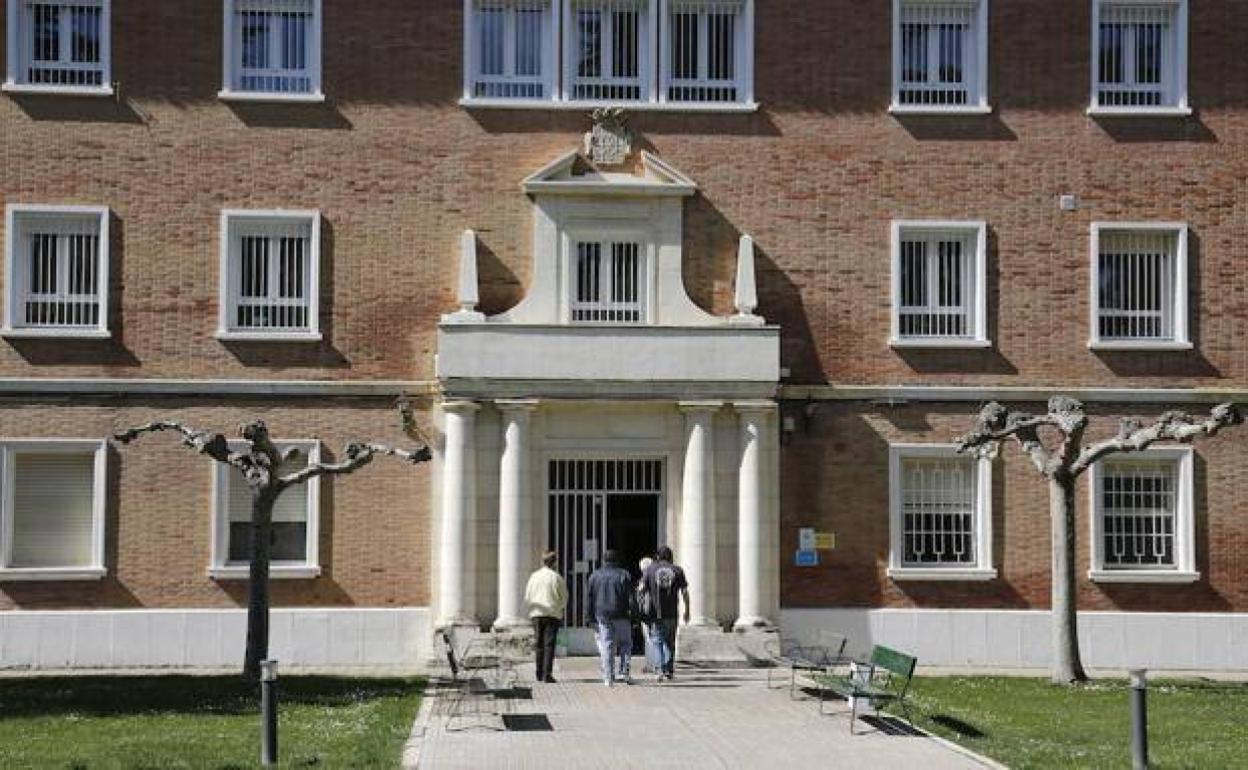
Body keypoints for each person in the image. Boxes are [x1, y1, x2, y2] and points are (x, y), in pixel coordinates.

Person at [585, 549, 634, 686]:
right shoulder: (624, 575)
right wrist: (635, 616)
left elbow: (589, 598)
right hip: (621, 614)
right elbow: (631, 598)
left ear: (603, 560)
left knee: (607, 645)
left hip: (602, 614)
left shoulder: (594, 576)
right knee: (625, 644)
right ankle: (624, 672)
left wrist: (589, 617)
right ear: (617, 560)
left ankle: (608, 677)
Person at [642, 545, 689, 681]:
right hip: (672, 613)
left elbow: (641, 589)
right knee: (669, 642)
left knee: (657, 641)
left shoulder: (650, 570)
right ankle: (668, 670)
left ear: (657, 557)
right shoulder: (678, 570)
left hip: (656, 613)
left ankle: (659, 670)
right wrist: (687, 610)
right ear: (670, 557)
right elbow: (685, 592)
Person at [524, 551, 567, 684]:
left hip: (537, 614)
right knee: (549, 644)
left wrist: (532, 608)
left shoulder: (534, 576)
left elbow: (528, 596)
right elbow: (564, 597)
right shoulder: (556, 577)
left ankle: (538, 673)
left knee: (539, 644)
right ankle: (547, 674)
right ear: (554, 563)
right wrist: (558, 608)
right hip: (552, 614)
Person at [637, 556, 655, 673]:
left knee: (649, 639)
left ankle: (651, 664)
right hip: (658, 612)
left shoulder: (644, 579)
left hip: (647, 612)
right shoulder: (657, 576)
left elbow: (640, 593)